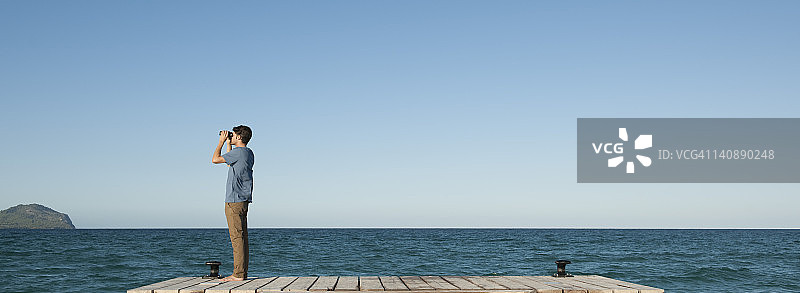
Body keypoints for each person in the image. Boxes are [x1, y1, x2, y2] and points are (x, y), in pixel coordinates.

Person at [211, 125, 255, 281]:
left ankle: (238, 275)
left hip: (234, 201)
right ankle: (242, 272)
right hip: (243, 200)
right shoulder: (248, 153)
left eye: (234, 135)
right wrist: (230, 142)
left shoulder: (239, 152)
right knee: (242, 238)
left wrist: (221, 142)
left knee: (236, 238)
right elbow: (230, 162)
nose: (232, 136)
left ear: (240, 137)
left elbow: (215, 159)